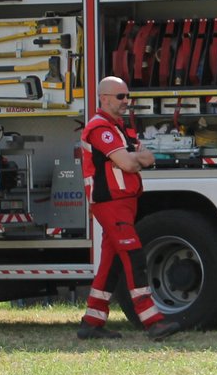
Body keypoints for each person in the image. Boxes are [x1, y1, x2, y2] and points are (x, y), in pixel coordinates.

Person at [76, 76, 180, 342]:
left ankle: (92, 322)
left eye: (127, 96)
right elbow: (130, 162)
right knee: (134, 256)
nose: (126, 102)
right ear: (104, 98)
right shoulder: (101, 128)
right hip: (111, 204)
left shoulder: (117, 128)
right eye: (121, 97)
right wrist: (133, 158)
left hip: (121, 203)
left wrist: (135, 158)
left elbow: (148, 158)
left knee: (110, 263)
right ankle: (152, 321)